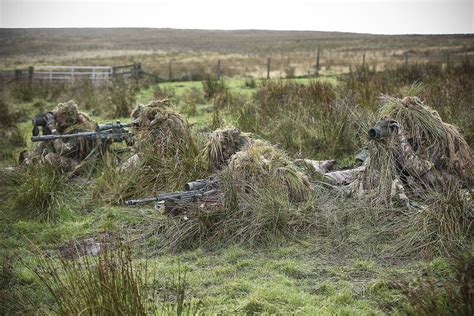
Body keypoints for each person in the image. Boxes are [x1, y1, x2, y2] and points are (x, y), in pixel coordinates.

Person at [21, 100, 97, 171]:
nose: (56, 119)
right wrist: (47, 127)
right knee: (43, 144)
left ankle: (33, 169)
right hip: (69, 158)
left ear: (66, 117)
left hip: (80, 164)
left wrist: (53, 128)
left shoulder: (78, 130)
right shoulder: (66, 126)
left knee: (50, 157)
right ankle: (28, 162)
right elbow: (50, 142)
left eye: (59, 117)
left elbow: (62, 151)